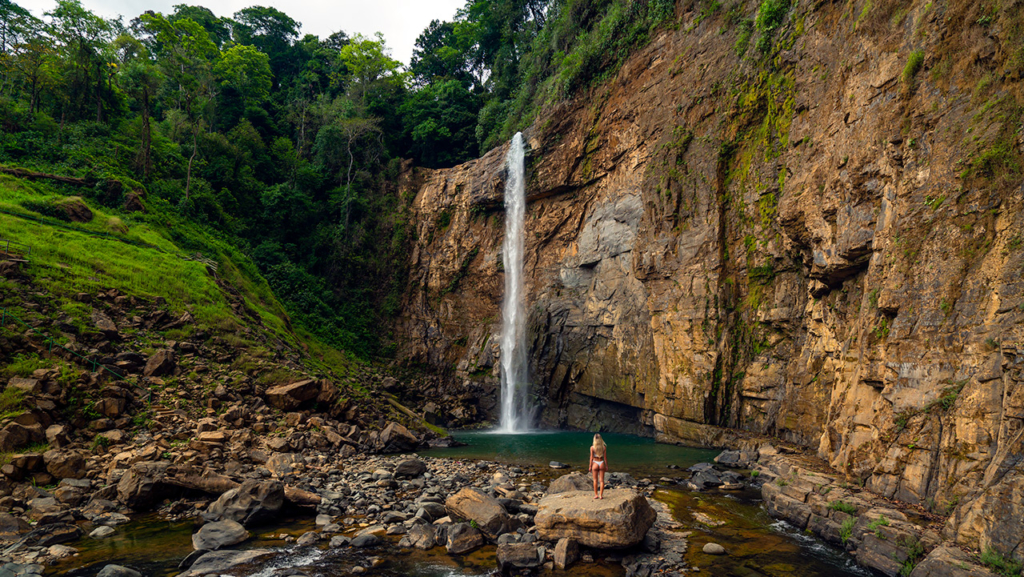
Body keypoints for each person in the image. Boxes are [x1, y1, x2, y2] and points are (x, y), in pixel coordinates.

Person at [589, 433, 608, 499]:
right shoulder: (603, 447)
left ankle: (596, 495)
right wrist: (607, 466)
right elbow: (605, 458)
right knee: (602, 481)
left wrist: (590, 466)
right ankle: (601, 495)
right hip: (601, 463)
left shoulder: (592, 448)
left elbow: (591, 458)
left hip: (595, 463)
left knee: (595, 480)